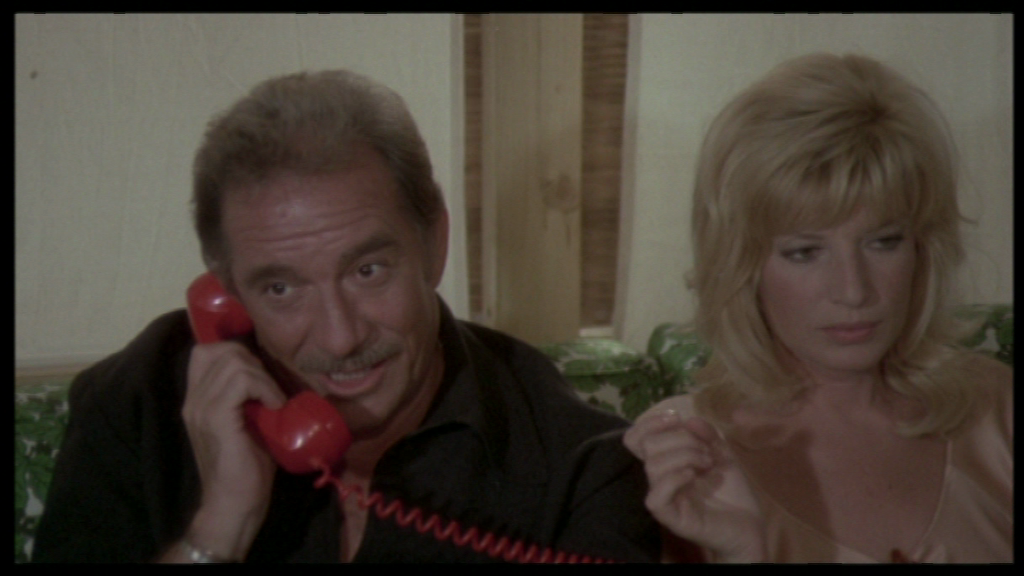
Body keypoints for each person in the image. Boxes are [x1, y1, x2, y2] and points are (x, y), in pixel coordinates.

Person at [33, 69, 662, 563]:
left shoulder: (583, 465)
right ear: (226, 293)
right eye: (281, 288)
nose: (340, 338)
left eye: (368, 271)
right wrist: (219, 527)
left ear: (434, 243)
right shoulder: (136, 403)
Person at [624, 52, 1012, 563]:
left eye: (884, 242)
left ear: (923, 249)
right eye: (804, 252)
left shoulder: (996, 409)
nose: (853, 291)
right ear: (741, 265)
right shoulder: (684, 456)